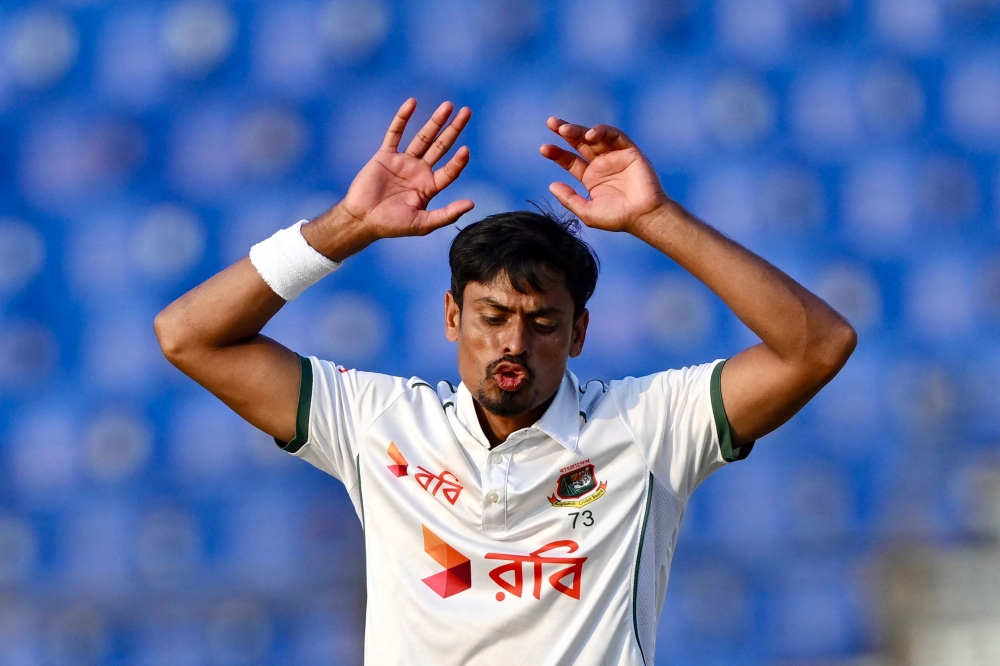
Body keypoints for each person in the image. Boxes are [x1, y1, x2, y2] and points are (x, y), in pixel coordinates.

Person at [154, 98, 856, 665]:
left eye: (543, 322)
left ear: (579, 333)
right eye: (492, 316)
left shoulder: (644, 428)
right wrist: (344, 228)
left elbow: (818, 346)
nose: (514, 343)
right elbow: (186, 334)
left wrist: (655, 219)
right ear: (452, 316)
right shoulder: (381, 423)